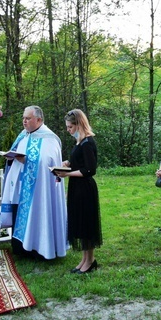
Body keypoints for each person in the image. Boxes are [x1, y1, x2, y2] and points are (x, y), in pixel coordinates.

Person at [0, 105, 68, 260]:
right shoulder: (23, 135)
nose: (24, 121)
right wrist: (11, 157)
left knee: (38, 214)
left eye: (28, 118)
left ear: (39, 119)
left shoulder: (49, 139)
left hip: (39, 191)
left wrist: (26, 160)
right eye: (23, 118)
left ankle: (39, 249)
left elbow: (48, 163)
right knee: (20, 213)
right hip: (20, 186)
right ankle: (20, 248)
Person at [54, 109, 102, 274]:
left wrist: (66, 174)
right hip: (76, 187)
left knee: (86, 225)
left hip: (85, 188)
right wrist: (68, 163)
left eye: (70, 127)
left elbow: (89, 170)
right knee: (80, 224)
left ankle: (90, 261)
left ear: (79, 124)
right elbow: (79, 163)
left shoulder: (88, 143)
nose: (68, 130)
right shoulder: (80, 142)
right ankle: (84, 259)